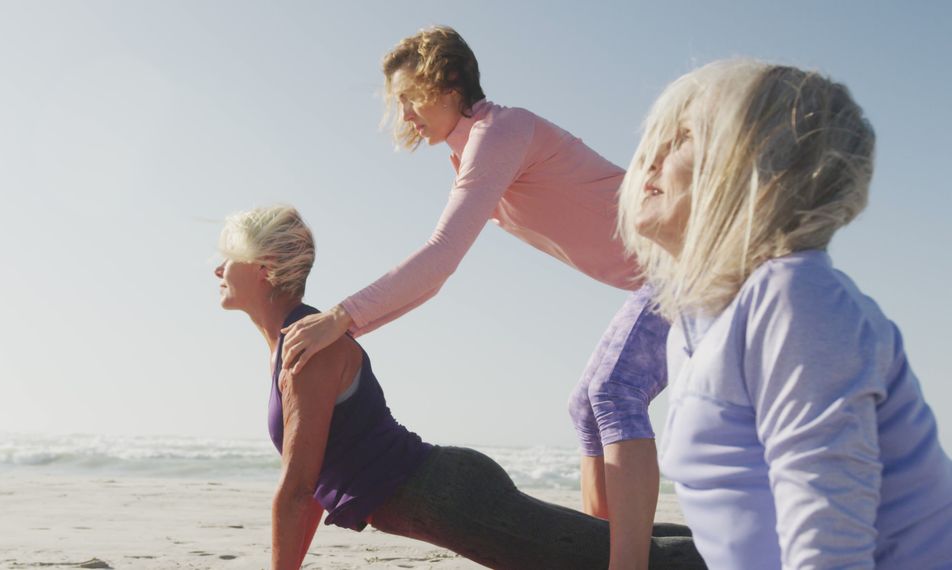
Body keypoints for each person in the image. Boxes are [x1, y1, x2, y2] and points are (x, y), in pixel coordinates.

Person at [277, 26, 667, 568]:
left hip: (695, 263)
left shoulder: (501, 132)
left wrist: (341, 317)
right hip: (661, 279)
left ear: (450, 80)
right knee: (586, 407)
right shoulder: (470, 153)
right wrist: (346, 326)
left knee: (613, 390)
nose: (406, 114)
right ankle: (602, 548)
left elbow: (441, 253)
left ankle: (629, 564)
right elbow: (438, 277)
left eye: (411, 96)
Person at [214, 205, 703, 569]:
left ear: (263, 269)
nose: (218, 270)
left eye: (226, 258)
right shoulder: (296, 343)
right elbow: (312, 489)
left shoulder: (306, 349)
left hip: (452, 498)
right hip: (448, 493)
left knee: (618, 557)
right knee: (609, 544)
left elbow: (297, 491)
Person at [616, 59, 952, 568]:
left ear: (760, 168)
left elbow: (830, 548)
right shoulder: (695, 323)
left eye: (684, 136)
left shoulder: (794, 296)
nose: (653, 155)